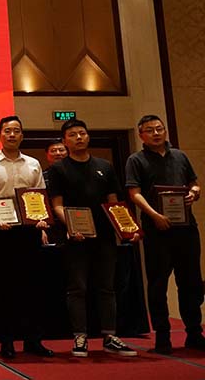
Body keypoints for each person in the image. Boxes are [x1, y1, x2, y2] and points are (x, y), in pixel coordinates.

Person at [48, 119, 138, 358]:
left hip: (105, 237)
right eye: (73, 135)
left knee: (107, 287)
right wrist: (70, 225)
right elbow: (57, 205)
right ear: (64, 141)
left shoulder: (104, 166)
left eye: (82, 133)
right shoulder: (59, 169)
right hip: (75, 238)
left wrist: (126, 228)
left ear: (88, 137)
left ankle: (110, 336)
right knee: (77, 288)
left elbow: (114, 204)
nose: (79, 137)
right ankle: (80, 336)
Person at [0, 115, 53, 359]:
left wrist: (41, 221)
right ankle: (6, 342)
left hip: (29, 232)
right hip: (3, 233)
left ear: (22, 135)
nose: (12, 135)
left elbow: (38, 197)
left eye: (16, 131)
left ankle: (33, 340)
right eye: (7, 131)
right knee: (4, 289)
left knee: (33, 288)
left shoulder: (33, 164)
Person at [126, 114, 205, 354]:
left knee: (191, 282)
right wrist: (155, 216)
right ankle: (162, 337)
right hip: (156, 229)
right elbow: (134, 193)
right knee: (158, 283)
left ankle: (194, 333)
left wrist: (194, 192)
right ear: (141, 135)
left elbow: (194, 183)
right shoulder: (136, 160)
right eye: (150, 130)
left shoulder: (180, 156)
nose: (156, 133)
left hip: (186, 228)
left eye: (159, 129)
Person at [44, 139, 68, 245]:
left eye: (61, 150)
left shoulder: (76, 174)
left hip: (76, 220)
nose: (58, 153)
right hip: (50, 225)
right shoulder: (42, 176)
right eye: (53, 151)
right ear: (47, 155)